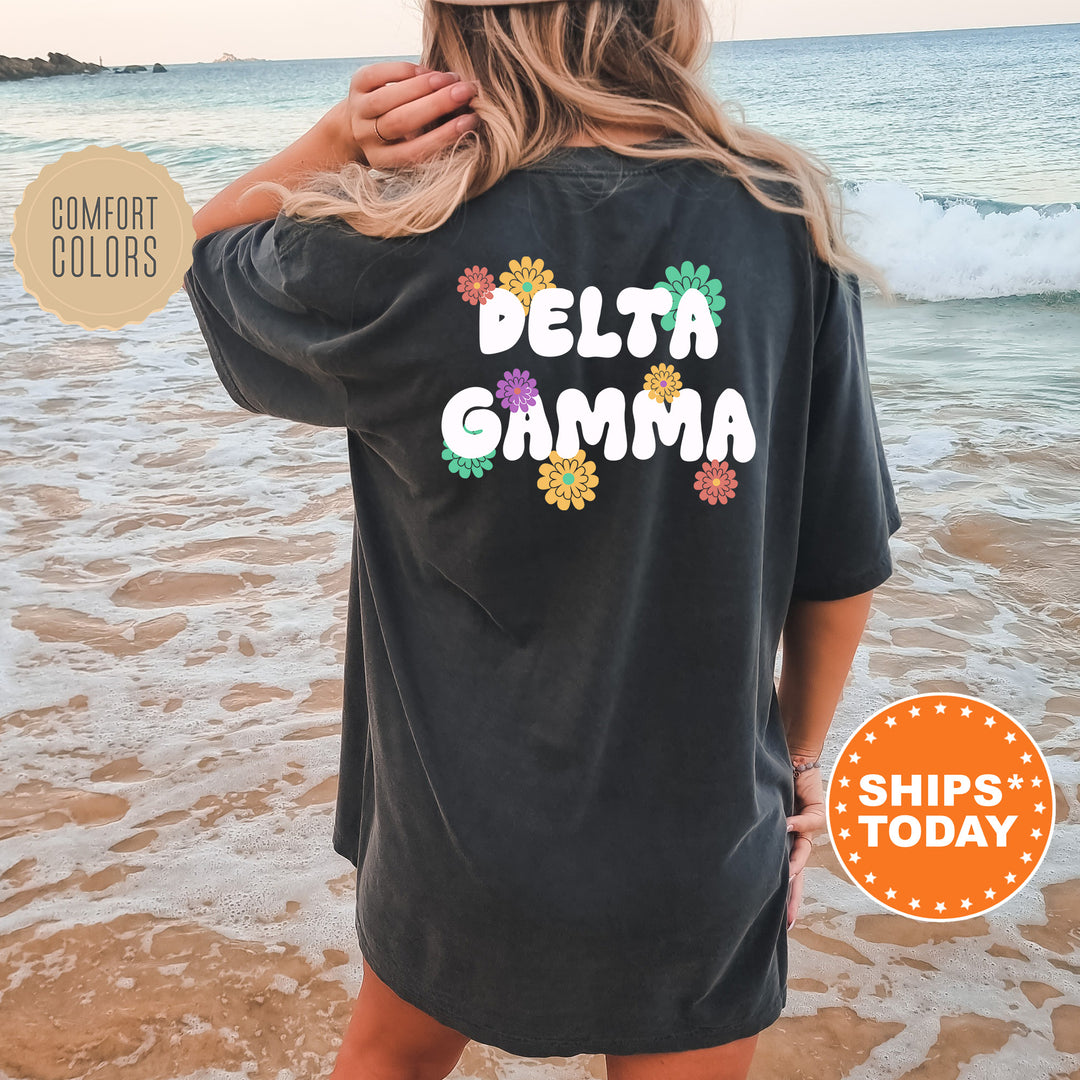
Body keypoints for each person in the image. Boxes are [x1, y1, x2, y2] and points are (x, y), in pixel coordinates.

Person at [182, 0, 903, 1076]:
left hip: (455, 835)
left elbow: (203, 253)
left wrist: (339, 142)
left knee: (388, 1058)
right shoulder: (779, 220)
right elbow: (841, 560)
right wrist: (800, 764)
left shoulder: (394, 237)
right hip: (697, 833)